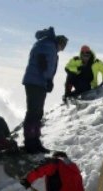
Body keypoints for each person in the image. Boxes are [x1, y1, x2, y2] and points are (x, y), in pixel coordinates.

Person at [22, 26, 68, 154]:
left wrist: (48, 80)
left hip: (38, 82)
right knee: (33, 112)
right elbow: (43, 62)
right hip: (35, 82)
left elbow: (45, 64)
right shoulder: (47, 45)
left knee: (37, 112)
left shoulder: (48, 45)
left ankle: (35, 141)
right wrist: (47, 78)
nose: (62, 49)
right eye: (63, 46)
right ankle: (29, 142)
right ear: (59, 42)